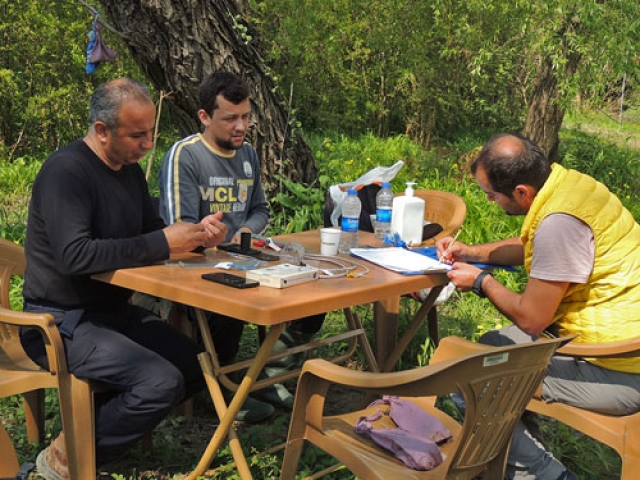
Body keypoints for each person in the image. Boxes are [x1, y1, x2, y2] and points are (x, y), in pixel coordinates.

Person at [20, 78, 229, 480]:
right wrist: (161, 241)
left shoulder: (129, 170)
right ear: (101, 130)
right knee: (158, 381)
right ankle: (64, 460)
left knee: (193, 364)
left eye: (150, 132)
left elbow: (151, 233)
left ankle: (89, 430)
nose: (148, 144)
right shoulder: (66, 172)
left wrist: (197, 237)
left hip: (113, 311)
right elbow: (74, 255)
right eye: (137, 135)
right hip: (59, 321)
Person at [437, 132, 640, 480]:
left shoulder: (559, 222)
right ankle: (521, 456)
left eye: (491, 195)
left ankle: (547, 475)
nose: (490, 202)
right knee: (490, 347)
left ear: (521, 193)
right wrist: (473, 252)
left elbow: (532, 320)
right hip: (619, 342)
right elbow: (538, 245)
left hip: (620, 369)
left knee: (465, 378)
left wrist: (481, 282)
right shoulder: (571, 187)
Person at [158, 71, 324, 420]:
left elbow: (260, 210)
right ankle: (217, 390)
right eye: (230, 118)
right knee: (228, 309)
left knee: (314, 288)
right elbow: (178, 231)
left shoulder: (248, 154)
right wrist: (205, 234)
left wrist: (244, 231)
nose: (241, 126)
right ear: (204, 117)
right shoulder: (184, 156)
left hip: (247, 257)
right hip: (197, 269)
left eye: (246, 116)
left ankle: (270, 373)